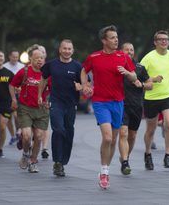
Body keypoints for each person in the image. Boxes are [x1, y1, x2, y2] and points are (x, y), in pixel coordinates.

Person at [81, 25, 137, 189]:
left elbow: (134, 76)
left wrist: (127, 73)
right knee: (107, 138)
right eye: (112, 38)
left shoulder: (123, 56)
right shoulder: (94, 57)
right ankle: (104, 172)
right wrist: (85, 85)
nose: (116, 40)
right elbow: (84, 71)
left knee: (113, 140)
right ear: (104, 40)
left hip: (118, 102)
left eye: (116, 37)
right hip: (100, 102)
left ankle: (105, 169)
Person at [38, 39, 82, 177]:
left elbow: (85, 84)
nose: (67, 51)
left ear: (73, 51)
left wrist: (80, 87)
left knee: (68, 132)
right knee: (58, 129)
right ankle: (57, 162)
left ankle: (63, 162)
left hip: (71, 104)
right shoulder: (51, 65)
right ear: (60, 50)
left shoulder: (77, 66)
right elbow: (43, 79)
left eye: (69, 49)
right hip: (56, 102)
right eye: (65, 48)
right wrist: (40, 95)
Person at [140, 30, 169, 170]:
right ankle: (148, 153)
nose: (164, 41)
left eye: (166, 39)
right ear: (155, 42)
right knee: (151, 129)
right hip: (152, 97)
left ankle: (168, 155)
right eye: (161, 39)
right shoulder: (148, 58)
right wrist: (153, 79)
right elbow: (140, 77)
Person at [9, 47, 50, 173]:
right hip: (25, 108)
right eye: (37, 58)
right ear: (31, 59)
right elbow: (12, 85)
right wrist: (14, 100)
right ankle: (26, 154)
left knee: (38, 136)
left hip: (41, 109)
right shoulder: (24, 71)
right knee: (26, 136)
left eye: (42, 58)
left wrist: (50, 101)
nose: (39, 60)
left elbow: (54, 89)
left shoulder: (48, 74)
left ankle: (33, 161)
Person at [118, 43, 153, 175]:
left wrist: (142, 84)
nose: (129, 52)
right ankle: (125, 162)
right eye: (126, 49)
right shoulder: (117, 67)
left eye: (131, 50)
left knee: (132, 136)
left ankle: (125, 156)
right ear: (121, 51)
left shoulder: (139, 68)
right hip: (121, 105)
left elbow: (151, 85)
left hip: (136, 106)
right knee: (123, 133)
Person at [3, 50, 24, 145]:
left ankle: (18, 131)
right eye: (13, 57)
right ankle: (13, 136)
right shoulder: (5, 67)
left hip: (18, 94)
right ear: (9, 57)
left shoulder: (22, 67)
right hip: (7, 94)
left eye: (17, 57)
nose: (15, 59)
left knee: (16, 116)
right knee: (8, 117)